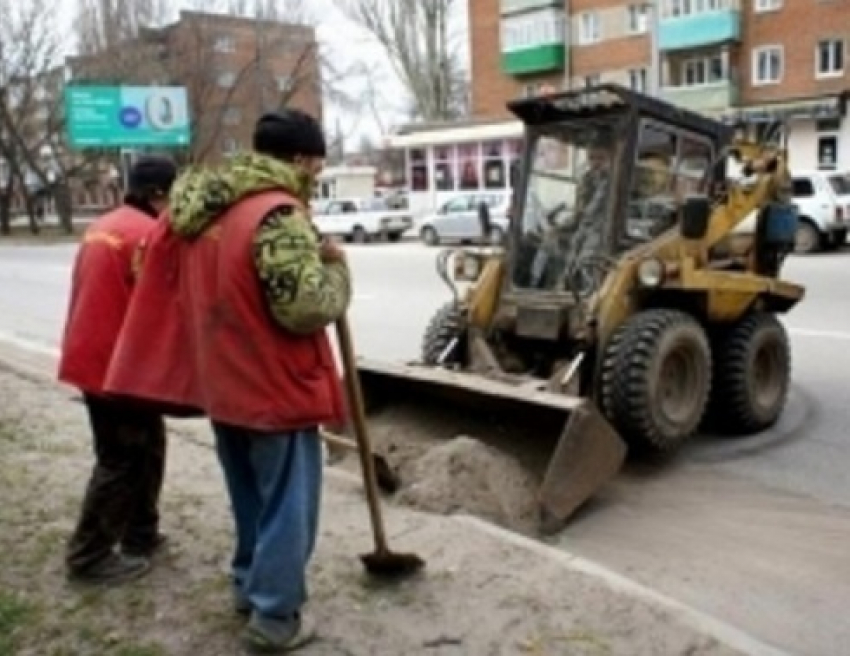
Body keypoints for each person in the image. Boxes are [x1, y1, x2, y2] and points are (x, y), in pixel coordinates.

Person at [103, 109, 351, 654]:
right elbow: (305, 308)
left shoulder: (198, 211)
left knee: (248, 496)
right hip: (276, 384)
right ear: (301, 160)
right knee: (289, 504)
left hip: (222, 382)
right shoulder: (276, 214)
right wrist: (335, 271)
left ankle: (248, 584)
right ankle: (275, 617)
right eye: (317, 163)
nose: (316, 174)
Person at [59, 155, 178, 585]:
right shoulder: (150, 234)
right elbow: (165, 306)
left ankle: (140, 534)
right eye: (174, 195)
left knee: (148, 446)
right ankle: (89, 557)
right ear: (157, 194)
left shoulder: (104, 225)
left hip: (93, 356)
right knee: (121, 459)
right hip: (118, 368)